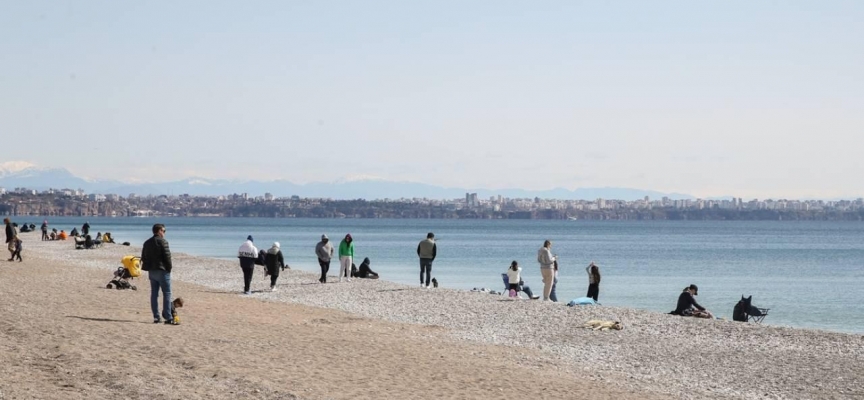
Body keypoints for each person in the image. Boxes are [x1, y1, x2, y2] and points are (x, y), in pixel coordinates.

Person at [141, 223, 175, 324]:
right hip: (162, 270)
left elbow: (144, 257)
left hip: (152, 271)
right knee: (167, 293)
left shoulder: (147, 243)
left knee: (154, 294)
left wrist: (148, 267)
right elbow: (167, 257)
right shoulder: (163, 242)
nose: (164, 233)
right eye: (163, 231)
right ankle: (168, 317)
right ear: (159, 231)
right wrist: (169, 268)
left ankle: (156, 317)